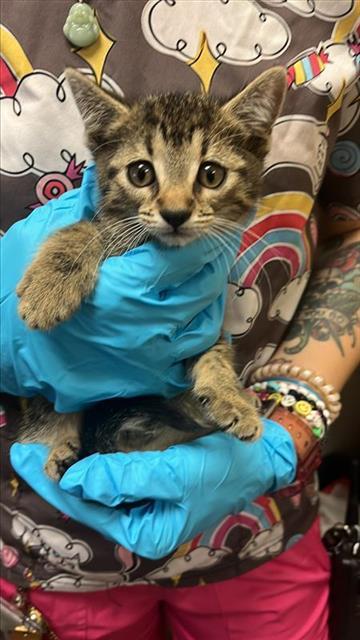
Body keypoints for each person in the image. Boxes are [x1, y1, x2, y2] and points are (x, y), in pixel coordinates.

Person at [0, 1, 359, 639]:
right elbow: (94, 232)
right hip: (48, 541)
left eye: (209, 175)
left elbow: (348, 228)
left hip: (253, 526)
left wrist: (294, 419)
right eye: (144, 175)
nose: (172, 204)